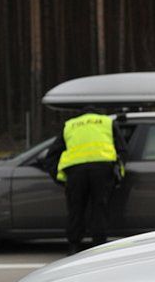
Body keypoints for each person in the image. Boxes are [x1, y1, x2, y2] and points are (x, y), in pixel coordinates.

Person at [47, 107, 128, 255]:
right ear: (97, 113)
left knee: (76, 209)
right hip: (102, 169)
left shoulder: (70, 124)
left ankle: (74, 247)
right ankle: (99, 246)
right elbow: (122, 150)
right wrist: (118, 174)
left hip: (76, 171)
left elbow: (51, 155)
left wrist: (60, 178)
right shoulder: (106, 122)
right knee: (99, 207)